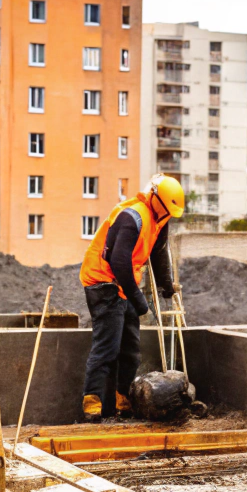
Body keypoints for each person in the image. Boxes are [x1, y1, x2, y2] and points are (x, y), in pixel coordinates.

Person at [78, 175, 183, 421]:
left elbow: (158, 253)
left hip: (123, 284)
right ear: (154, 198)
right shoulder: (131, 217)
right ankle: (92, 404)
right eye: (166, 208)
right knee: (107, 348)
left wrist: (166, 286)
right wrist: (137, 298)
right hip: (102, 282)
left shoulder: (161, 218)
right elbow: (118, 261)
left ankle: (120, 400)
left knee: (131, 351)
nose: (168, 213)